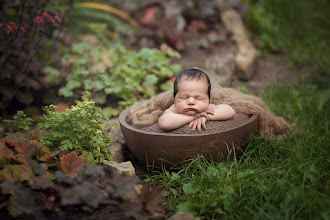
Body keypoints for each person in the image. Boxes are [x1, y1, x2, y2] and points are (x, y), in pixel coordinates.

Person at [158, 68, 236, 132]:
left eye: (199, 98)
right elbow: (164, 123)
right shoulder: (174, 109)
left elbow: (230, 111)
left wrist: (207, 116)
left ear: (208, 100)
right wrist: (194, 117)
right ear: (174, 99)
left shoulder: (208, 108)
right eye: (184, 97)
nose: (191, 102)